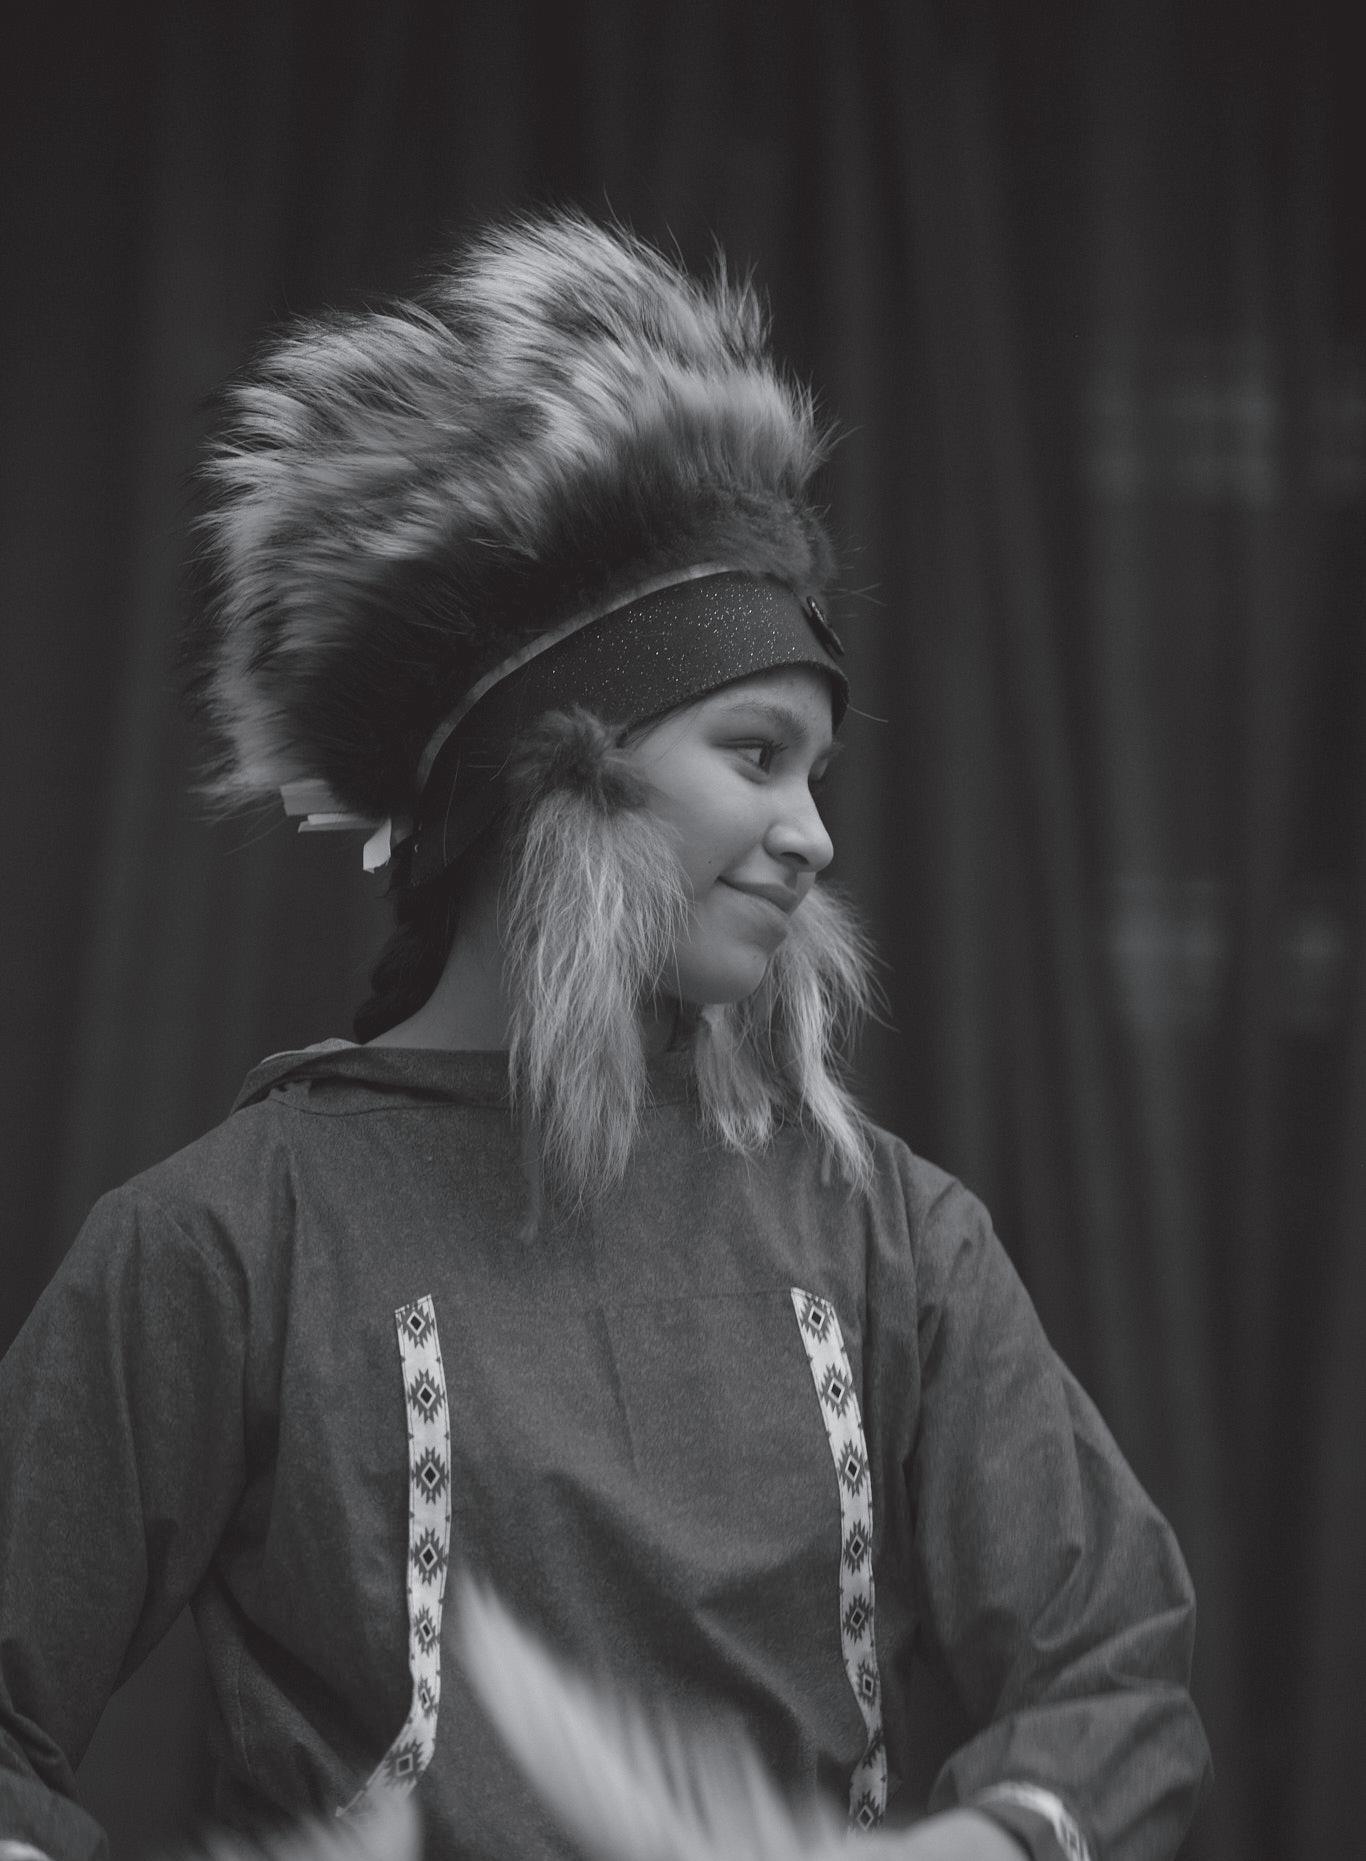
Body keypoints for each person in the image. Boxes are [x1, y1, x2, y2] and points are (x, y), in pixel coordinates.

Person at [0, 213, 1210, 1861]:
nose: (812, 834)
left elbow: (1116, 1668)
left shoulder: (889, 1239)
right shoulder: (224, 1244)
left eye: (819, 773)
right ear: (555, 774)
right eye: (756, 752)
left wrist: (967, 1849)